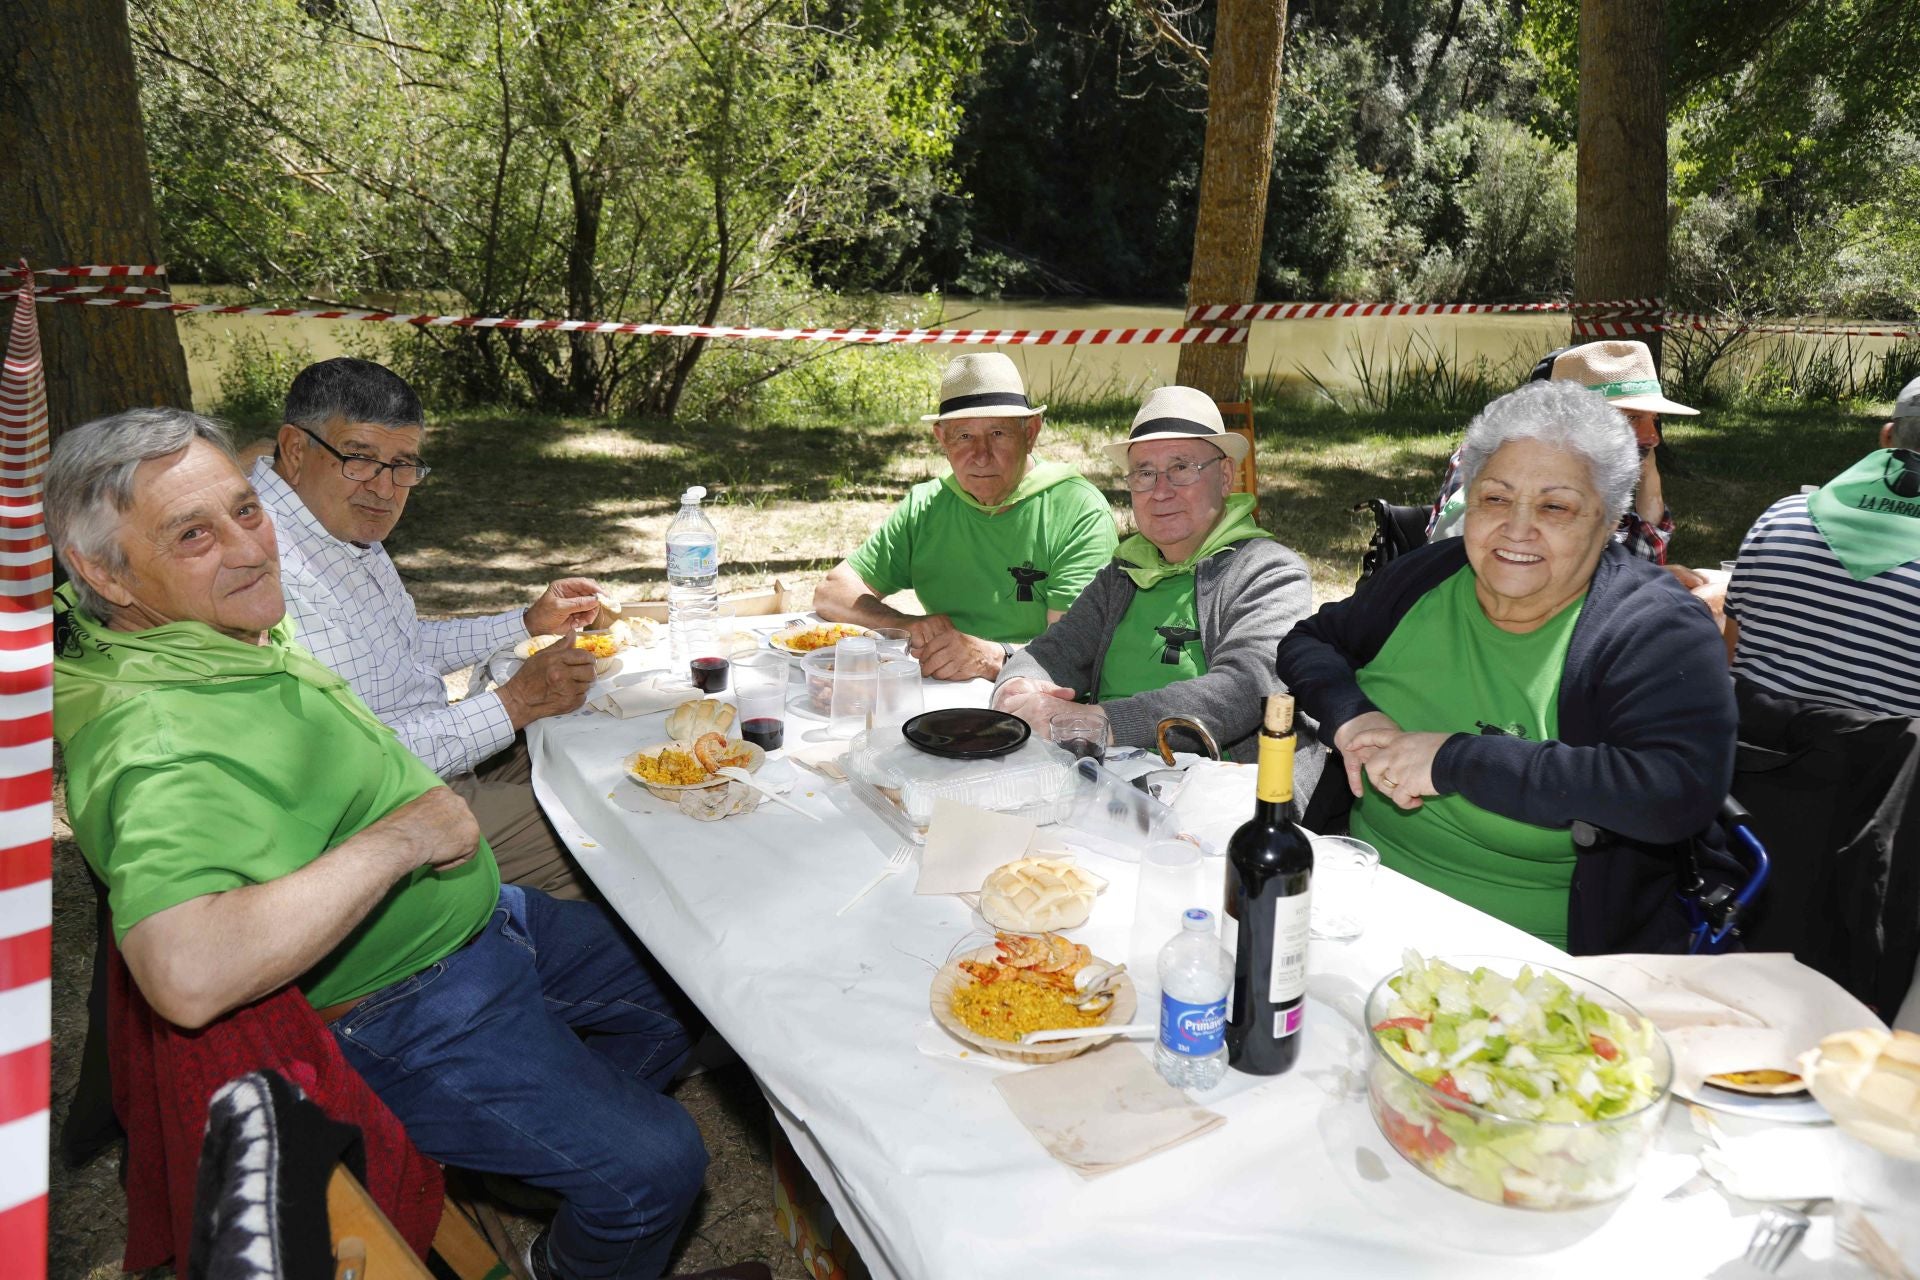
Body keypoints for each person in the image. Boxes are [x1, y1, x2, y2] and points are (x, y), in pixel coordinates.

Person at [48, 409, 749, 1280]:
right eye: (193, 533)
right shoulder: (153, 736)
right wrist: (405, 836)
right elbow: (184, 975)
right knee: (658, 1165)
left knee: (693, 981)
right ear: (100, 572)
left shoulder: (204, 631)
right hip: (401, 1004)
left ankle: (548, 1137)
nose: (250, 548)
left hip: (480, 927)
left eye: (245, 508)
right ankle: (574, 1227)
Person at [1278, 380, 1736, 954]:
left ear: (1610, 516)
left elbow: (1674, 789)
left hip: (1541, 964)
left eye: (1555, 506)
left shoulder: (1654, 629)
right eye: (1494, 498)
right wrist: (1352, 719)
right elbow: (1309, 642)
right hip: (1358, 912)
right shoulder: (1429, 575)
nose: (1517, 529)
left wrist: (1455, 760)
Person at [256, 358, 602, 900]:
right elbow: (357, 766)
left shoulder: (326, 519)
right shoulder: (261, 562)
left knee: (606, 761)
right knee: (608, 835)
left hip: (426, 754)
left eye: (403, 465)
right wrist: (513, 704)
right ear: (296, 451)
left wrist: (526, 623)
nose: (385, 488)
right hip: (374, 814)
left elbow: (401, 645)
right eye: (361, 458)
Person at [994, 386, 1322, 785]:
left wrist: (1101, 721)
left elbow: (1245, 690)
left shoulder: (1269, 572)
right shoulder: (1125, 572)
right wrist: (1015, 689)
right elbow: (1055, 650)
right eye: (1145, 473)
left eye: (1182, 468)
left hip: (1222, 791)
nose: (1161, 491)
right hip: (1105, 777)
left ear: (1225, 477)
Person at [813, 352, 1117, 679]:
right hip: (942, 692)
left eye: (998, 433)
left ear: (1030, 433)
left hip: (1040, 699)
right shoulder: (927, 505)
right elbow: (832, 592)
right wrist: (905, 625)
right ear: (941, 438)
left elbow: (1076, 652)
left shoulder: (1077, 510)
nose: (981, 456)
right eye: (964, 436)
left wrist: (997, 658)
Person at [1724, 375, 1920, 717]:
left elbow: (1729, 658)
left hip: (1753, 757)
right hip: (1889, 768)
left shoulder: (1779, 517)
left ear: (1887, 436)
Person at [1427, 340, 1696, 566]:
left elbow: (1643, 559)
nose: (1653, 437)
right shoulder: (1500, 463)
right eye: (1633, 418)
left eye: (1654, 420)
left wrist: (1649, 479)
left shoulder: (1590, 471)